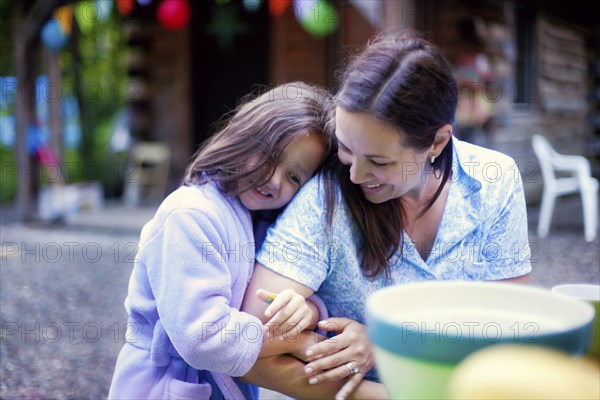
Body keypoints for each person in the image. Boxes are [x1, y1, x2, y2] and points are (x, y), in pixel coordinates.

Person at [241, 31, 531, 398]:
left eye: (379, 161)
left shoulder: (494, 182)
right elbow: (247, 339)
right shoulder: (326, 200)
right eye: (345, 148)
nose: (355, 175)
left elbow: (511, 326)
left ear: (437, 143)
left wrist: (378, 345)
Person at [108, 82, 337, 399]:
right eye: (270, 156)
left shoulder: (258, 220)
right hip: (162, 385)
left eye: (294, 177)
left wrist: (307, 310)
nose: (274, 180)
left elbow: (257, 303)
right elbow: (202, 336)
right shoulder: (190, 215)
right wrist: (297, 340)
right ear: (244, 136)